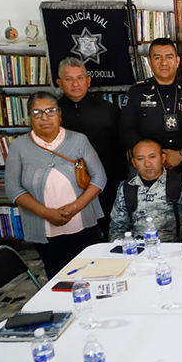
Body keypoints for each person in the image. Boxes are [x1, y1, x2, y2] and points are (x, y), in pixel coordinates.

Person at [5, 91, 106, 278]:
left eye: (50, 111)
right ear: (29, 118)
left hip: (82, 223)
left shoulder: (78, 140)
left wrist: (75, 207)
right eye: (37, 113)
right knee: (57, 277)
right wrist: (47, 213)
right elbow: (12, 189)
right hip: (43, 227)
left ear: (59, 115)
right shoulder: (19, 146)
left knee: (89, 274)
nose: (44, 118)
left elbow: (99, 178)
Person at [119, 38, 182, 195]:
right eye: (157, 57)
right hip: (151, 168)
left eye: (169, 57)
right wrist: (154, 156)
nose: (164, 63)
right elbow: (126, 131)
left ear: (177, 61)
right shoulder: (136, 92)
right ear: (149, 61)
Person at [56, 57, 128, 238]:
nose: (75, 84)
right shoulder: (52, 113)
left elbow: (122, 144)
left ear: (88, 81)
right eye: (69, 79)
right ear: (59, 83)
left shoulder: (108, 109)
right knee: (77, 231)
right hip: (67, 184)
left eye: (80, 78)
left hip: (107, 182)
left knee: (111, 228)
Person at [108, 139, 182, 243]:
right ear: (134, 163)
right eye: (140, 159)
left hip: (174, 248)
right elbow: (117, 228)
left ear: (163, 158)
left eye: (152, 157)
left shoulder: (181, 183)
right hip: (137, 248)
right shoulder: (127, 187)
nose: (147, 164)